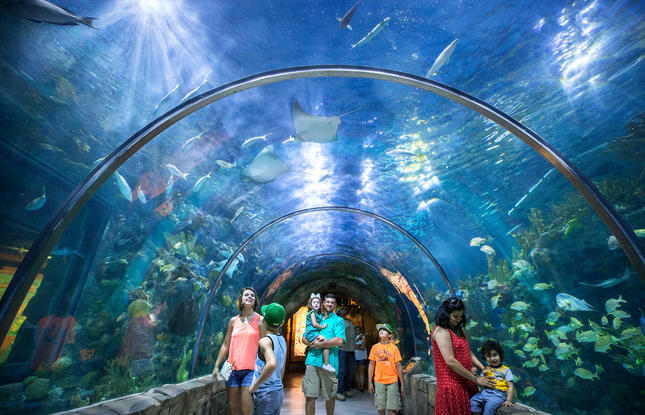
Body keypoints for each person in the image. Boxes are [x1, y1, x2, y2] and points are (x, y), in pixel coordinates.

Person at [431, 297, 495, 415]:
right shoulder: (442, 331)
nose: (459, 319)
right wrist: (476, 379)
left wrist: (483, 367)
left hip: (466, 382)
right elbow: (450, 361)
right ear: (446, 314)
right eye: (455, 316)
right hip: (453, 387)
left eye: (461, 316)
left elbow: (467, 351)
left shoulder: (458, 329)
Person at [212, 287, 266, 415]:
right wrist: (216, 366)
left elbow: (264, 346)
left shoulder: (260, 320)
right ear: (241, 300)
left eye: (252, 295)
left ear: (255, 301)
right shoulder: (233, 321)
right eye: (246, 295)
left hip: (251, 370)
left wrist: (264, 368)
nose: (249, 297)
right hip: (232, 370)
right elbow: (226, 344)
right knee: (232, 408)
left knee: (246, 408)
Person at [301, 294, 345, 415]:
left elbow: (339, 340)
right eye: (327, 302)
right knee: (310, 395)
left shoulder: (338, 320)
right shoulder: (315, 317)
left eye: (332, 302)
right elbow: (304, 337)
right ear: (323, 303)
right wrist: (310, 343)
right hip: (313, 359)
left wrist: (322, 344)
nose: (329, 304)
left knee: (330, 396)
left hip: (329, 362)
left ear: (335, 305)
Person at [249, 303, 287, 415]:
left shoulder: (265, 341)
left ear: (263, 321)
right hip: (278, 392)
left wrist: (254, 387)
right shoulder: (282, 340)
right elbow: (281, 368)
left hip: (265, 394)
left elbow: (272, 364)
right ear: (282, 323)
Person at [367, 323, 405, 415]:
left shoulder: (394, 348)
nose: (381, 331)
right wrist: (370, 382)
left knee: (392, 409)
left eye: (384, 330)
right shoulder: (375, 347)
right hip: (379, 381)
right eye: (380, 330)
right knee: (381, 408)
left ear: (390, 335)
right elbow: (371, 364)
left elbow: (399, 366)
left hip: (392, 381)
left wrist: (402, 385)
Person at [470, 340, 515, 415]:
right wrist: (475, 374)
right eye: (489, 356)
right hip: (485, 392)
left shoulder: (506, 370)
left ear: (500, 355)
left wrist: (509, 400)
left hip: (498, 394)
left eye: (495, 355)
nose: (492, 358)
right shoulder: (486, 369)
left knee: (489, 407)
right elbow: (481, 381)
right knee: (473, 401)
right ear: (485, 357)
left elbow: (510, 386)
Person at [304, 293, 335, 373]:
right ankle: (326, 364)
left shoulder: (318, 315)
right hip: (312, 333)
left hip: (313, 333)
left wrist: (333, 314)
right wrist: (322, 327)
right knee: (326, 342)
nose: (316, 304)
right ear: (310, 305)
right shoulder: (312, 313)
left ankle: (325, 363)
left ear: (320, 304)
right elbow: (314, 324)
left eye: (317, 302)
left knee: (324, 344)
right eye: (314, 302)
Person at [336, 307, 356, 400]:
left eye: (345, 309)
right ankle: (339, 391)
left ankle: (347, 389)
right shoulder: (338, 321)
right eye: (342, 309)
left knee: (350, 370)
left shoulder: (350, 321)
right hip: (342, 349)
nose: (344, 310)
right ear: (339, 312)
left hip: (351, 349)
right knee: (342, 371)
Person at [354, 326, 368, 392]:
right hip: (355, 356)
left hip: (362, 356)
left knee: (361, 371)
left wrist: (355, 347)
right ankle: (358, 385)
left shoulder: (362, 337)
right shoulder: (353, 337)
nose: (357, 331)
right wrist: (357, 346)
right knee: (356, 371)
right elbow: (352, 346)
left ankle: (362, 386)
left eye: (359, 330)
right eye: (356, 330)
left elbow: (363, 347)